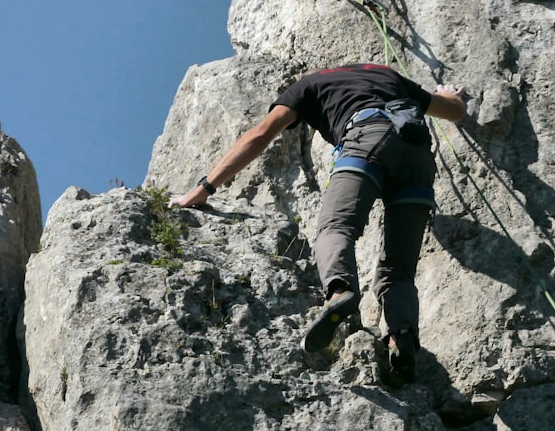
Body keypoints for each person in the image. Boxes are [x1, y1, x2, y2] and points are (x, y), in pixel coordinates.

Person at [169, 63, 466, 381]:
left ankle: (340, 291)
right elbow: (453, 111)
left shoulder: (307, 85)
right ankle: (401, 338)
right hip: (418, 157)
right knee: (399, 269)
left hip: (368, 140)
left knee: (336, 228)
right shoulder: (387, 75)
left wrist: (203, 189)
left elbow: (260, 134)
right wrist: (450, 96)